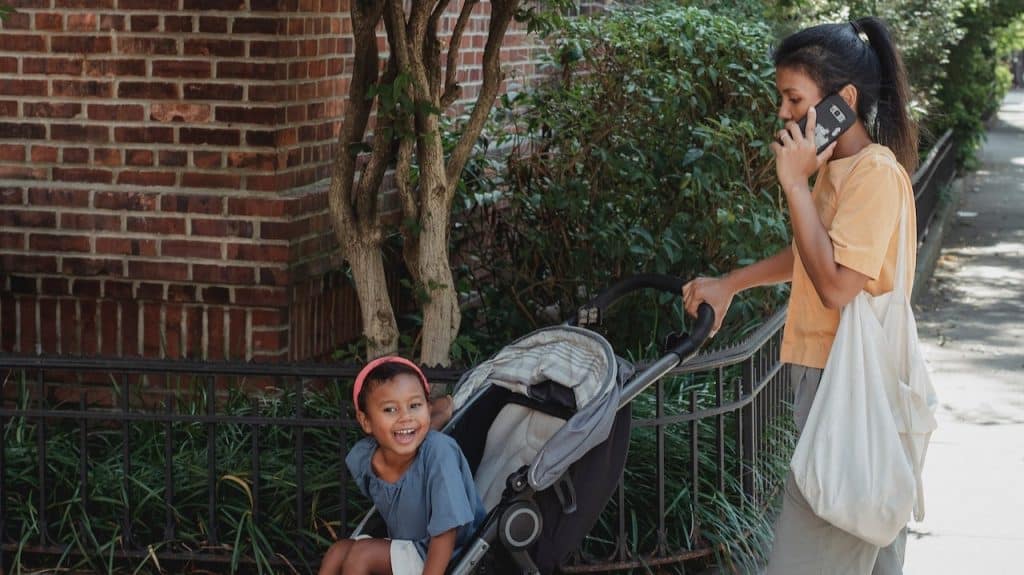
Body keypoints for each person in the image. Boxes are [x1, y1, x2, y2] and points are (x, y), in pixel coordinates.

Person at [682, 17, 918, 575]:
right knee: (867, 542)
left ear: (844, 100)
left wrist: (793, 184)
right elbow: (814, 257)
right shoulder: (837, 168)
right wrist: (732, 283)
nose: (784, 113)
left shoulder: (875, 174)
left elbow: (836, 284)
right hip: (833, 381)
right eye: (782, 99)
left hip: (849, 386)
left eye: (794, 98)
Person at [318, 356, 486, 575]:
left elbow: (446, 533)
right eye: (390, 409)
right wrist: (439, 413)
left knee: (361, 555)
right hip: (408, 544)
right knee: (338, 552)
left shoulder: (440, 452)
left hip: (447, 555)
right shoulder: (367, 457)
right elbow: (408, 437)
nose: (405, 417)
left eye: (414, 405)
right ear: (365, 421)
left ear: (427, 406)